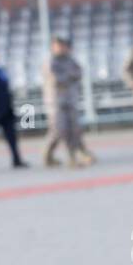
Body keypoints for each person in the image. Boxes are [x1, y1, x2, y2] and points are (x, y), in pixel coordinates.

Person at [41, 36, 94, 167]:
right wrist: (69, 75)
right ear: (53, 47)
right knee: (58, 130)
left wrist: (68, 75)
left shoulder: (70, 60)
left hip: (70, 99)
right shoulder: (50, 62)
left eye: (63, 45)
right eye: (59, 45)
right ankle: (48, 154)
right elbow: (57, 79)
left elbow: (79, 72)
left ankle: (73, 158)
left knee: (74, 129)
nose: (62, 48)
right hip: (55, 103)